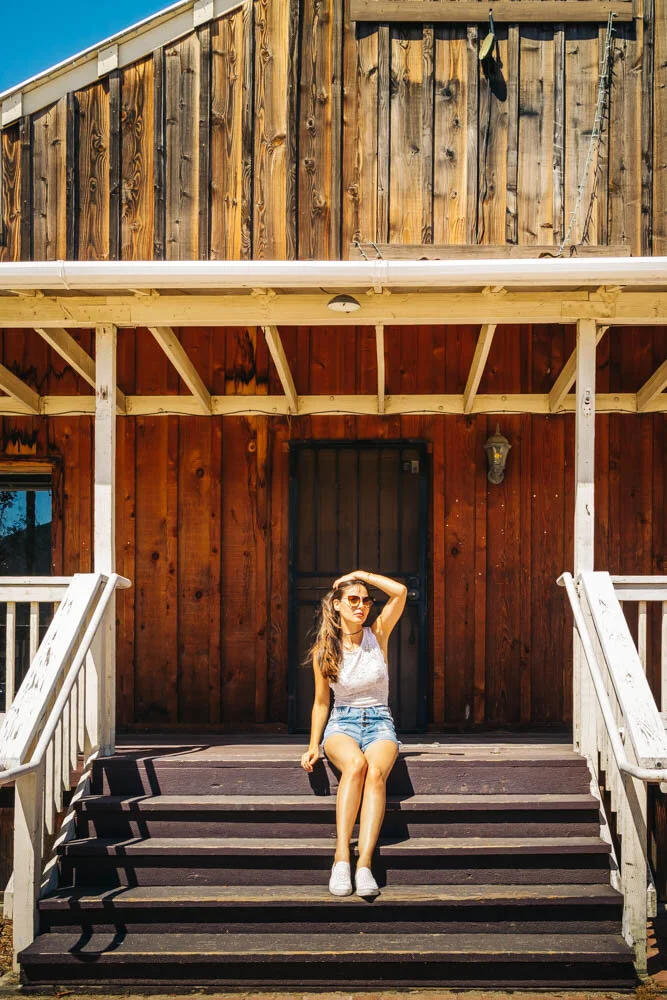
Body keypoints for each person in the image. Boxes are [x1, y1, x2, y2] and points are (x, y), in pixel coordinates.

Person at [300, 570, 407, 899]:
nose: (361, 606)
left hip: (380, 722)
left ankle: (364, 864)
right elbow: (321, 703)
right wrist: (313, 745)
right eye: (353, 599)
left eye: (366, 600)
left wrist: (360, 574)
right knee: (356, 766)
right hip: (341, 723)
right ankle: (341, 858)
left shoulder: (378, 633)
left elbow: (400, 592)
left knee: (375, 773)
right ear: (336, 605)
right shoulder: (324, 650)